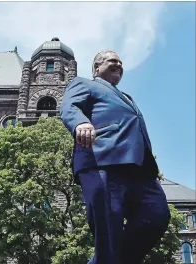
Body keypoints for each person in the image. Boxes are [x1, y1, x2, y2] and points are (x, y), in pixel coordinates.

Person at [60, 51, 171, 264]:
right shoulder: (83, 83)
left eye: (121, 62)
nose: (119, 64)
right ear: (96, 68)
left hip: (140, 170)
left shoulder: (128, 98)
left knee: (156, 215)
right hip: (102, 159)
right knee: (108, 227)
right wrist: (80, 123)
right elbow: (69, 107)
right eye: (113, 61)